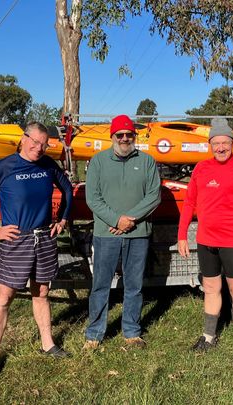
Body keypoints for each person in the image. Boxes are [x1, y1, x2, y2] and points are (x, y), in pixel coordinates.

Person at [0, 122, 73, 374]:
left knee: (42, 292)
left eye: (45, 144)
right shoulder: (6, 166)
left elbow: (67, 189)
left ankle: (48, 344)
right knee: (4, 297)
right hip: (16, 241)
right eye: (35, 142)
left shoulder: (47, 165)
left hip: (43, 238)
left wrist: (63, 218)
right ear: (23, 139)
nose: (39, 148)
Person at [177, 117, 233, 365]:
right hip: (206, 242)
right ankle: (208, 336)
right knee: (211, 289)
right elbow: (190, 203)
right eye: (215, 143)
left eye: (224, 143)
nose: (220, 148)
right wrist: (182, 234)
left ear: (232, 142)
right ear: (210, 144)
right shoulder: (201, 169)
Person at [83, 114, 161, 350]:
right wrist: (116, 219)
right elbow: (92, 198)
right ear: (113, 136)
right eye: (120, 135)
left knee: (134, 285)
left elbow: (154, 196)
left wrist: (130, 220)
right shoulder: (97, 162)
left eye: (129, 134)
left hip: (138, 234)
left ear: (134, 136)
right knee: (100, 284)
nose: (125, 138)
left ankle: (132, 331)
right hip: (106, 234)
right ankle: (94, 334)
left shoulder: (147, 161)